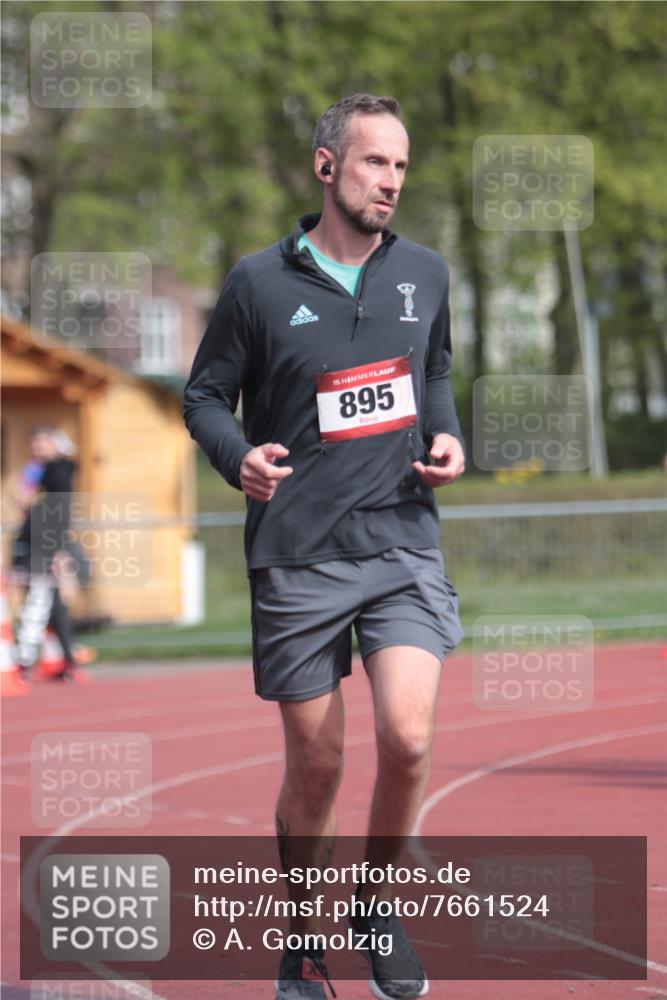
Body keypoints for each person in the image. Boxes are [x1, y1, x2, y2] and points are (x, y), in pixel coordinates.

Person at [183, 93, 465, 1000]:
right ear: (325, 167)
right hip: (298, 552)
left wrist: (447, 438)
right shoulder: (255, 283)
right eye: (376, 162)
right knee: (319, 763)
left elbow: (433, 372)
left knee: (409, 738)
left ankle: (374, 904)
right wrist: (241, 461)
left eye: (401, 166)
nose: (391, 181)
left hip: (400, 540)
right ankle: (303, 939)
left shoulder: (425, 271)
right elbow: (202, 398)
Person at [11, 426, 80, 681]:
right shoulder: (36, 470)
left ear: (54, 444)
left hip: (48, 544)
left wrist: (59, 549)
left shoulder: (60, 470)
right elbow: (24, 501)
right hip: (31, 541)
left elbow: (61, 512)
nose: (38, 448)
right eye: (35, 444)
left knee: (42, 601)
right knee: (46, 602)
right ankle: (63, 660)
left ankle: (27, 662)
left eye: (43, 443)